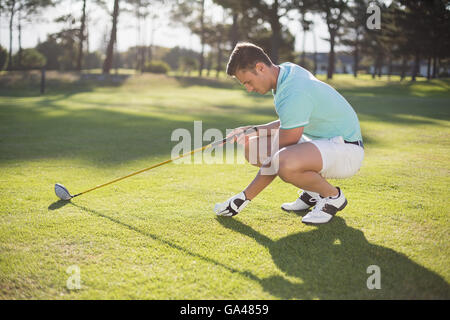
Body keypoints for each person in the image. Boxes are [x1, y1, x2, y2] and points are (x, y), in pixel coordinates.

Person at [213, 42, 364, 225]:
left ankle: (332, 197)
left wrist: (243, 198)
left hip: (346, 150)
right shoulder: (285, 72)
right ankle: (313, 194)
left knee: (284, 162)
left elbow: (277, 157)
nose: (249, 89)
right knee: (253, 147)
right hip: (323, 143)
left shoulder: (294, 91)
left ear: (260, 68)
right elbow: (292, 120)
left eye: (248, 82)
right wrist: (252, 130)